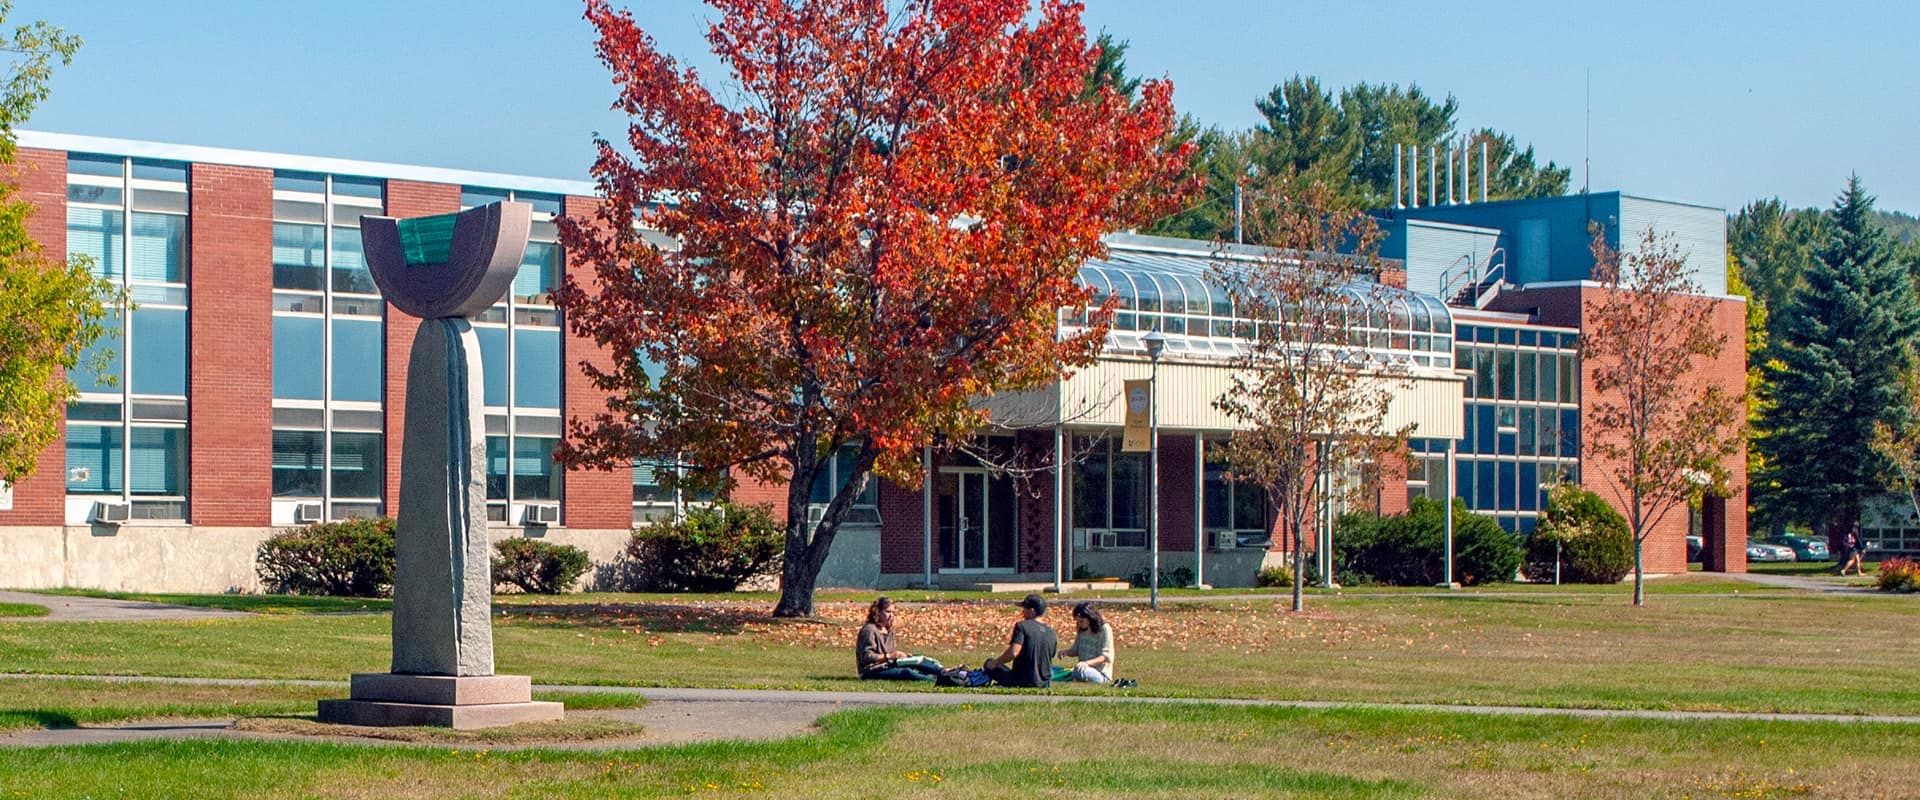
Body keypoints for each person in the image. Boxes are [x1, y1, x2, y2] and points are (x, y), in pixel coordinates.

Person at [855, 596, 944, 681]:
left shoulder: (889, 630)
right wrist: (890, 656)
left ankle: (944, 673)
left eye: (893, 612)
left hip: (888, 665)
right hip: (871, 670)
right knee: (907, 673)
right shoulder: (869, 630)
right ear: (878, 612)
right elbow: (866, 657)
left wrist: (903, 657)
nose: (891, 615)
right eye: (888, 612)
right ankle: (935, 681)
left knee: (917, 659)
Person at [982, 593, 1058, 688]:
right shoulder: (1051, 632)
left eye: (1024, 609)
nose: (1022, 613)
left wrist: (995, 663)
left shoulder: (1022, 626)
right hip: (1045, 683)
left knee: (988, 663)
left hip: (1022, 681)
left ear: (1032, 611)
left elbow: (1013, 653)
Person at [1058, 602, 1114, 685]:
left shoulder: (1104, 629)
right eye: (1077, 621)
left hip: (1100, 673)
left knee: (1079, 671)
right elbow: (1076, 650)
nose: (1079, 624)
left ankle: (1074, 676)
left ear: (1090, 618)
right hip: (1082, 668)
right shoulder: (1081, 630)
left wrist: (1087, 663)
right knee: (1055, 670)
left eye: (1081, 621)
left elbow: (1105, 657)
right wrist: (1066, 652)